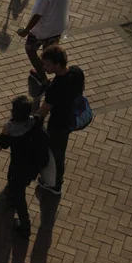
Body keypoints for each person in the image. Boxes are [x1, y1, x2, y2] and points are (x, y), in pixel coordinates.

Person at [0, 96, 55, 238]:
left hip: (19, 167)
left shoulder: (10, 128)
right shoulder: (35, 121)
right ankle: (13, 199)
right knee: (19, 184)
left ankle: (24, 225)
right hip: (33, 165)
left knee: (19, 194)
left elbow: (1, 145)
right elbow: (42, 113)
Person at [36, 45, 85, 195]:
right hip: (72, 118)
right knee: (59, 151)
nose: (44, 68)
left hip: (58, 124)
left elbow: (43, 111)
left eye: (47, 64)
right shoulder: (77, 71)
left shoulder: (55, 87)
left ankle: (55, 184)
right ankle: (56, 179)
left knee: (56, 153)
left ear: (57, 64)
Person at [17, 0, 70, 91]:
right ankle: (58, 77)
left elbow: (37, 15)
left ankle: (44, 78)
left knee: (30, 49)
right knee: (51, 55)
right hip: (57, 26)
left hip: (43, 29)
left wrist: (26, 30)